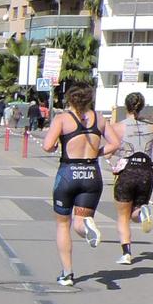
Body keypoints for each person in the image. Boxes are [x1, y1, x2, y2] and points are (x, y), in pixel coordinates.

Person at [42, 84, 105, 288]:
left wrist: (56, 145)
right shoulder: (100, 118)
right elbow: (115, 143)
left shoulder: (62, 119)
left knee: (63, 224)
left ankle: (67, 274)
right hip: (92, 174)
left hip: (69, 172)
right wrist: (98, 152)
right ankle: (87, 229)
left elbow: (47, 146)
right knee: (80, 221)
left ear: (69, 98)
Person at [104, 92, 153, 265]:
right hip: (146, 173)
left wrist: (108, 156)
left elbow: (110, 149)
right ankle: (143, 212)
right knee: (135, 211)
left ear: (126, 106)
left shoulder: (117, 127)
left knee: (123, 216)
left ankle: (126, 253)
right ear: (142, 106)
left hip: (127, 173)